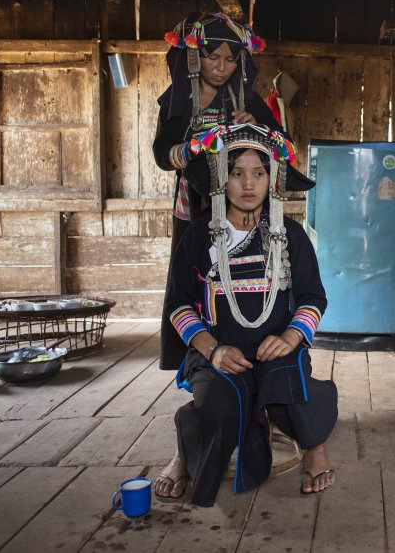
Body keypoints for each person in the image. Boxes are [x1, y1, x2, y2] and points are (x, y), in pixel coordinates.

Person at [153, 123, 337, 506]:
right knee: (217, 406)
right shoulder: (198, 236)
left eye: (259, 173)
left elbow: (313, 298)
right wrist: (213, 349)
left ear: (273, 179)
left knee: (291, 391)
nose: (249, 184)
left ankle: (315, 448)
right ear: (221, 178)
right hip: (218, 354)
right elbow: (178, 305)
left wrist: (290, 338)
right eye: (237, 173)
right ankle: (185, 453)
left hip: (276, 350)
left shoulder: (289, 234)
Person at [153, 13, 281, 371]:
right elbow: (162, 154)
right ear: (195, 57)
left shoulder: (245, 101)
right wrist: (193, 147)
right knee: (193, 273)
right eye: (213, 57)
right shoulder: (176, 102)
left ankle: (245, 343)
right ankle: (198, 351)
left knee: (243, 273)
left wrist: (257, 126)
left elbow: (280, 144)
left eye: (230, 59)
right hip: (195, 205)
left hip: (245, 208)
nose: (222, 67)